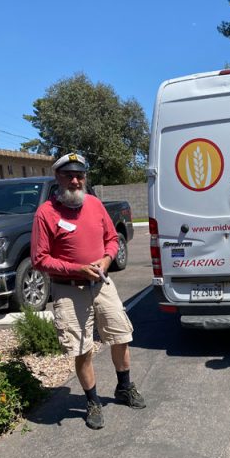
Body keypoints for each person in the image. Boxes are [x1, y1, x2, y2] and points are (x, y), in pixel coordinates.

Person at [31, 152, 145, 430]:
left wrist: (105, 261)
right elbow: (39, 259)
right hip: (69, 290)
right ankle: (92, 401)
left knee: (121, 335)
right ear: (57, 178)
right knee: (81, 348)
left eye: (79, 175)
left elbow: (112, 239)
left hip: (102, 284)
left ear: (85, 178)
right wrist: (77, 269)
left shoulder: (94, 204)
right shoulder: (46, 213)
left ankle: (124, 387)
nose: (74, 180)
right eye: (68, 175)